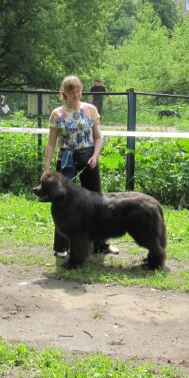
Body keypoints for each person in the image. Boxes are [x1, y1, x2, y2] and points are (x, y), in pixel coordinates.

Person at [43, 75, 119, 257]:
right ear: (64, 93)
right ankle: (61, 247)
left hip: (88, 157)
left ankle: (100, 244)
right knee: (63, 202)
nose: (76, 95)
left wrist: (95, 155)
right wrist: (47, 169)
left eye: (78, 91)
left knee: (97, 202)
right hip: (66, 159)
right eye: (72, 92)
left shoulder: (91, 110)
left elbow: (98, 137)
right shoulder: (57, 114)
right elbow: (51, 143)